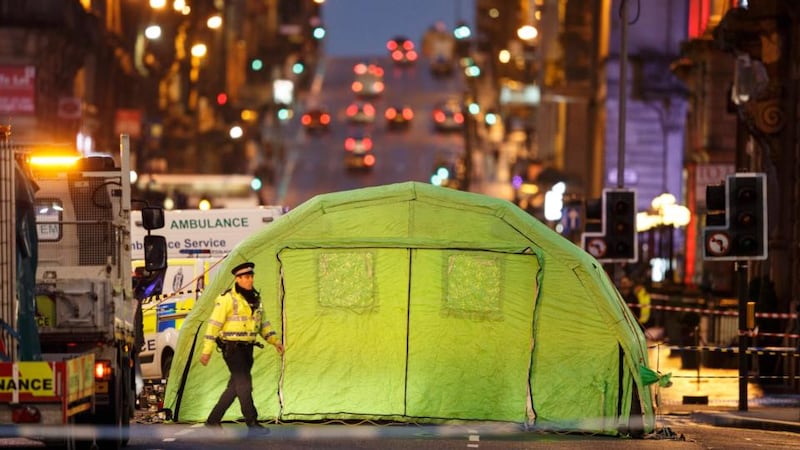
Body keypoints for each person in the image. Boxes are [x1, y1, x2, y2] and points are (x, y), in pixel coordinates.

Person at [200, 261, 284, 429]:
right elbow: (213, 325)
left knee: (235, 387)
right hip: (232, 349)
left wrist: (275, 341)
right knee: (245, 384)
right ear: (237, 279)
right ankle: (252, 422)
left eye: (251, 276)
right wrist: (207, 350)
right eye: (246, 277)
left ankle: (212, 421)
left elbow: (263, 324)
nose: (250, 280)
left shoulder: (255, 299)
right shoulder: (227, 299)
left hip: (247, 350)